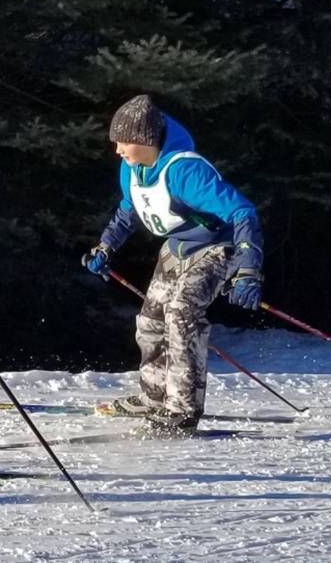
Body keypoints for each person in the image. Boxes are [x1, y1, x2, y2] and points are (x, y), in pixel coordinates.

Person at [83, 94, 264, 433]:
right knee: (150, 321)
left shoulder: (185, 171)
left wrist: (248, 270)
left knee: (181, 313)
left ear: (146, 140)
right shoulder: (131, 168)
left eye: (124, 142)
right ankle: (154, 396)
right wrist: (105, 247)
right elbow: (128, 210)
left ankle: (182, 409)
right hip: (177, 248)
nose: (118, 150)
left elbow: (242, 212)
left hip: (216, 247)